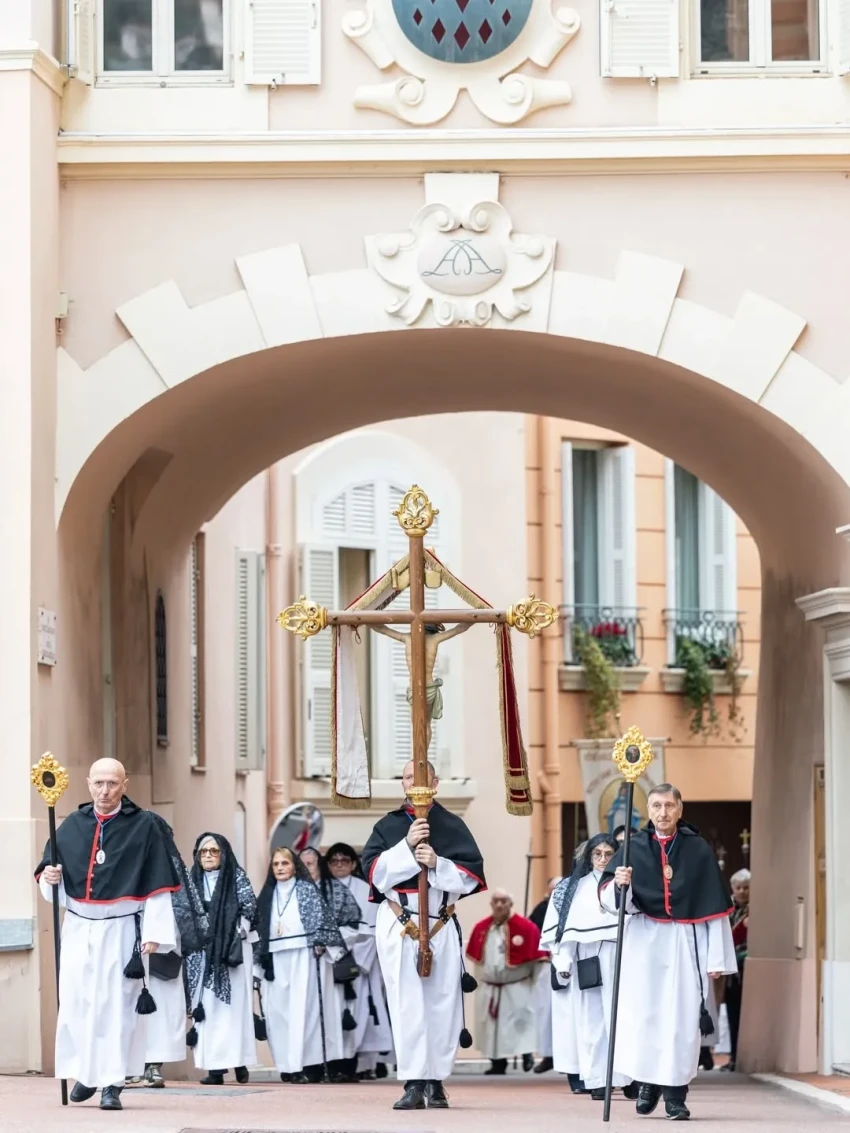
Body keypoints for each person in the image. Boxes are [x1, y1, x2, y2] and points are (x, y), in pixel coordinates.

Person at [34, 758, 180, 1111]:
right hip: (79, 927)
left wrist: (155, 931)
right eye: (99, 783)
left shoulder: (144, 826)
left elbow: (158, 883)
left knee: (117, 1007)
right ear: (88, 784)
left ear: (124, 785)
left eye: (112, 783)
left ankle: (112, 1082)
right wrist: (50, 879)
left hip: (122, 930)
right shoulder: (72, 825)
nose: (105, 791)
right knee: (78, 1003)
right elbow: (51, 880)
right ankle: (87, 1073)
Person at [599, 784, 737, 1122]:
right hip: (644, 942)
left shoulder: (698, 849)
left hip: (684, 943)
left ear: (679, 809)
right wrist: (620, 884)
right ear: (648, 810)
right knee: (645, 1016)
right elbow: (609, 902)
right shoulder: (632, 847)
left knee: (681, 1021)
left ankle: (676, 1096)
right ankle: (648, 1082)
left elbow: (714, 907)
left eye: (669, 806)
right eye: (657, 806)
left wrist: (716, 958)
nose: (663, 812)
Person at [361, 759, 486, 1111]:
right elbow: (373, 873)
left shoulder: (452, 825)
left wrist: (437, 864)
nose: (412, 782)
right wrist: (406, 846)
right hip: (400, 920)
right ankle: (414, 1081)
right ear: (402, 784)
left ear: (435, 783)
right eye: (406, 777)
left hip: (440, 922)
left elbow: (470, 878)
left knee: (443, 1003)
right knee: (408, 1004)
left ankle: (436, 1080)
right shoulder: (388, 826)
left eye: (419, 777)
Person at [542, 835, 636, 1101]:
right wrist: (563, 961)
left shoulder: (626, 882)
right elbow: (561, 930)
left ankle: (628, 1077)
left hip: (622, 954)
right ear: (589, 856)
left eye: (609, 854)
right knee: (592, 1022)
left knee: (623, 1018)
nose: (603, 859)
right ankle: (598, 1080)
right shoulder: (572, 887)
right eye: (598, 854)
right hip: (587, 957)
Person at [254, 847, 347, 1083]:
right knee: (278, 1014)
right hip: (274, 960)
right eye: (276, 864)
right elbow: (259, 931)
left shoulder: (306, 890)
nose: (280, 868)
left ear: (295, 866)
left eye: (285, 863)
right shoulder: (267, 894)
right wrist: (256, 967)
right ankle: (286, 1065)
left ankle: (305, 1065)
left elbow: (322, 922)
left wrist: (323, 944)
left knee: (303, 1012)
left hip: (303, 957)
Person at [139, 813, 208, 1088]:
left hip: (165, 945)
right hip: (129, 943)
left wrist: (161, 930)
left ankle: (153, 1066)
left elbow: (184, 907)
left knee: (162, 1010)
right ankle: (129, 1065)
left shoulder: (172, 865)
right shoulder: (128, 859)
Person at [186, 833, 258, 1086]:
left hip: (230, 954)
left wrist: (234, 929)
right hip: (201, 954)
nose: (208, 856)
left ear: (223, 854)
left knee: (232, 1010)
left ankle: (238, 1061)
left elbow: (250, 907)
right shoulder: (191, 879)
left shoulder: (236, 876)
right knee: (206, 1011)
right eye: (203, 851)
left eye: (214, 851)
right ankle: (215, 1070)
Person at [326, 842, 395, 1080]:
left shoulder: (365, 890)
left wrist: (354, 960)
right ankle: (332, 1063)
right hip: (328, 962)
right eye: (334, 861)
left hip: (357, 964)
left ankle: (356, 1064)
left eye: (344, 860)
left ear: (354, 863)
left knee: (361, 1012)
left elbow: (372, 929)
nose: (339, 865)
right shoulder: (321, 888)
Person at [298, 847, 363, 1082]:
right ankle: (311, 1067)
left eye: (311, 864)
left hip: (330, 963)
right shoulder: (291, 892)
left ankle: (340, 1066)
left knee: (334, 1014)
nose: (306, 868)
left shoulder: (337, 889)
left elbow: (354, 925)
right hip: (300, 966)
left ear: (320, 865)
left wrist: (328, 943)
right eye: (302, 864)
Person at [466, 889, 541, 1075]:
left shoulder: (526, 928)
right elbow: (477, 961)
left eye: (504, 901)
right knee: (491, 1028)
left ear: (511, 904)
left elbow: (537, 960)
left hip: (517, 985)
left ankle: (526, 1054)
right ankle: (497, 1063)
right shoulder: (482, 927)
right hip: (490, 987)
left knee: (520, 1022)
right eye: (496, 901)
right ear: (491, 904)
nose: (499, 905)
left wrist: (535, 984)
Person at [371, 622, 472, 751]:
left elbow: (382, 629)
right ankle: (422, 754)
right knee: (426, 724)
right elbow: (459, 628)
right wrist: (473, 619)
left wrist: (365, 622)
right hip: (429, 688)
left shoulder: (407, 638)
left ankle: (420, 755)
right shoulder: (435, 638)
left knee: (417, 725)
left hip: (415, 688)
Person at [528, 876, 561, 1074]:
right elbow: (531, 933)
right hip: (547, 966)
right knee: (546, 1012)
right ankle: (548, 1055)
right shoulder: (541, 909)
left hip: (572, 966)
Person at [720, 868, 750, 1073]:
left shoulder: (756, 909)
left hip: (746, 965)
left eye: (746, 887)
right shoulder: (727, 907)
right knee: (732, 1013)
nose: (742, 891)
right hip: (731, 970)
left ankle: (742, 1056)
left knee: (743, 1014)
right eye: (738, 887)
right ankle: (733, 1056)